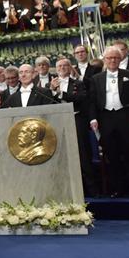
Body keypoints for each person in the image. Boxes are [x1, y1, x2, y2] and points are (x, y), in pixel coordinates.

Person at [89, 46, 129, 198]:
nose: (112, 60)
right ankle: (118, 189)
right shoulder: (96, 78)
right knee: (111, 156)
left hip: (126, 117)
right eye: (109, 58)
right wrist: (93, 119)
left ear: (120, 59)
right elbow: (92, 101)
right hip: (105, 119)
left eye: (115, 57)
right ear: (105, 60)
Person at [49, 58, 96, 196]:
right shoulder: (49, 85)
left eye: (65, 65)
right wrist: (52, 90)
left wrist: (61, 94)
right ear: (56, 69)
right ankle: (64, 189)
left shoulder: (79, 83)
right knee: (60, 154)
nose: (62, 68)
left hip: (76, 119)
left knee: (83, 154)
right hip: (57, 122)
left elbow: (81, 99)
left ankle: (91, 189)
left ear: (70, 68)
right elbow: (47, 102)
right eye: (59, 66)